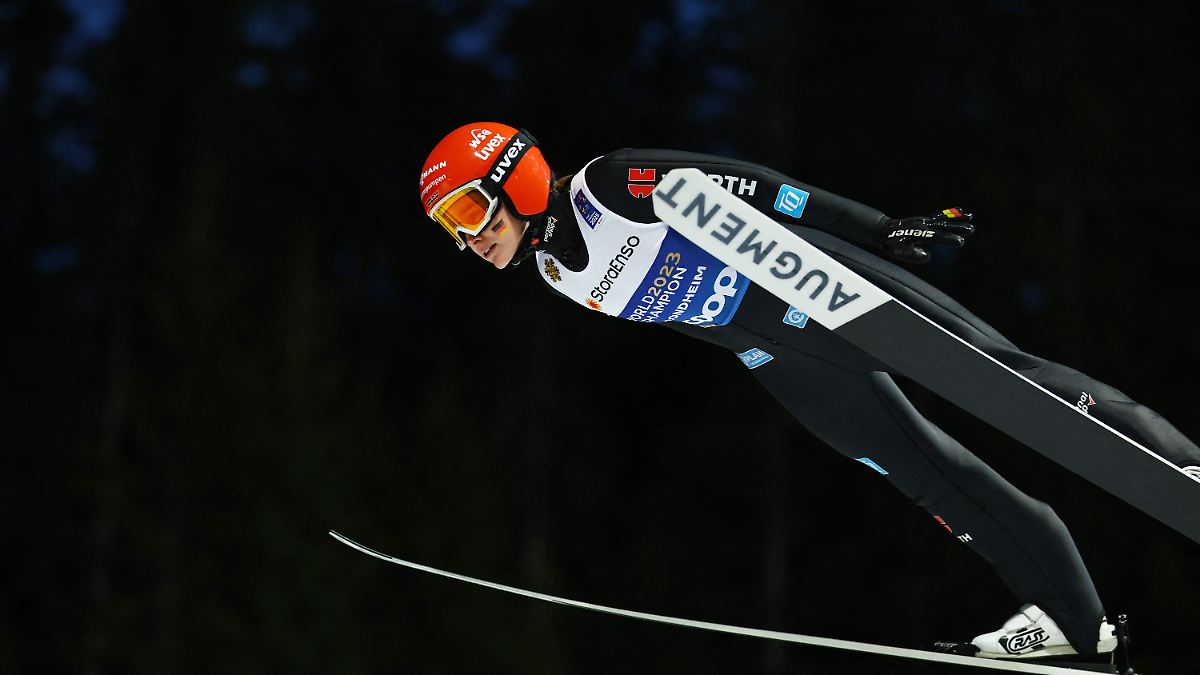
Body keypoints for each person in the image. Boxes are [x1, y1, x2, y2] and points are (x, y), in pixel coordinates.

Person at [417, 122, 1200, 660]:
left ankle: (1184, 466)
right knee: (927, 473)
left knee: (998, 375)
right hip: (774, 351)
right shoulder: (556, 271)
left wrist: (876, 229)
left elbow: (758, 188)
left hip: (816, 285)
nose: (466, 236)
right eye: (449, 226)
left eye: (466, 209)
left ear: (512, 176)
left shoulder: (612, 185)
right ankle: (1076, 620)